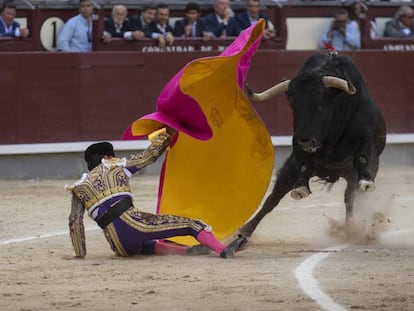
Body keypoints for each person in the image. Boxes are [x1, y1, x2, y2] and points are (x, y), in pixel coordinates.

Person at [65, 127, 248, 259]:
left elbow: (75, 222)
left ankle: (187, 252)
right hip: (135, 224)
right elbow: (148, 157)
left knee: (145, 246)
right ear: (106, 157)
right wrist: (167, 134)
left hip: (119, 245)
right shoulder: (114, 166)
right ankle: (222, 250)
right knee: (193, 225)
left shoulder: (78, 188)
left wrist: (79, 254)